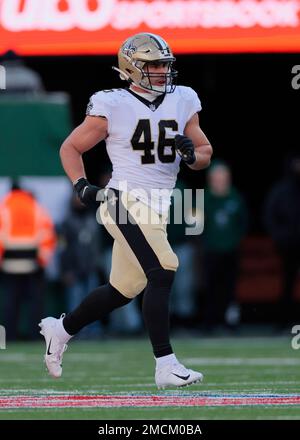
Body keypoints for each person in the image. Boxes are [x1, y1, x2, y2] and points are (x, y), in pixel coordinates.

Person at [39, 32, 213, 389]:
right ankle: (165, 364)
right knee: (164, 268)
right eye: (154, 65)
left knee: (123, 288)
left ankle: (61, 330)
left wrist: (192, 155)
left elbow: (204, 151)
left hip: (159, 207)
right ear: (132, 68)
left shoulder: (183, 99)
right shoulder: (112, 104)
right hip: (122, 200)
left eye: (165, 64)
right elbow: (71, 147)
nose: (163, 71)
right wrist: (81, 185)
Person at [0, 180, 56, 339]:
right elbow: (48, 237)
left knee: (10, 303)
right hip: (33, 265)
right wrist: (42, 261)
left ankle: (10, 336)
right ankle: (35, 335)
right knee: (35, 304)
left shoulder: (4, 208)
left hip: (9, 265)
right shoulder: (36, 209)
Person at [201, 160, 248, 331]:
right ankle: (209, 321)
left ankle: (231, 322)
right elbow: (193, 226)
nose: (220, 181)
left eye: (223, 177)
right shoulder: (203, 198)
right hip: (211, 249)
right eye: (216, 178)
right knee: (210, 286)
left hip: (231, 250)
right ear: (211, 179)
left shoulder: (236, 197)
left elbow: (243, 223)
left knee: (230, 288)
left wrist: (236, 240)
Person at [264, 153, 300, 328]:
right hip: (289, 245)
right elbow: (270, 216)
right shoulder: (281, 190)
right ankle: (284, 320)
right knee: (287, 282)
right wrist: (280, 237)